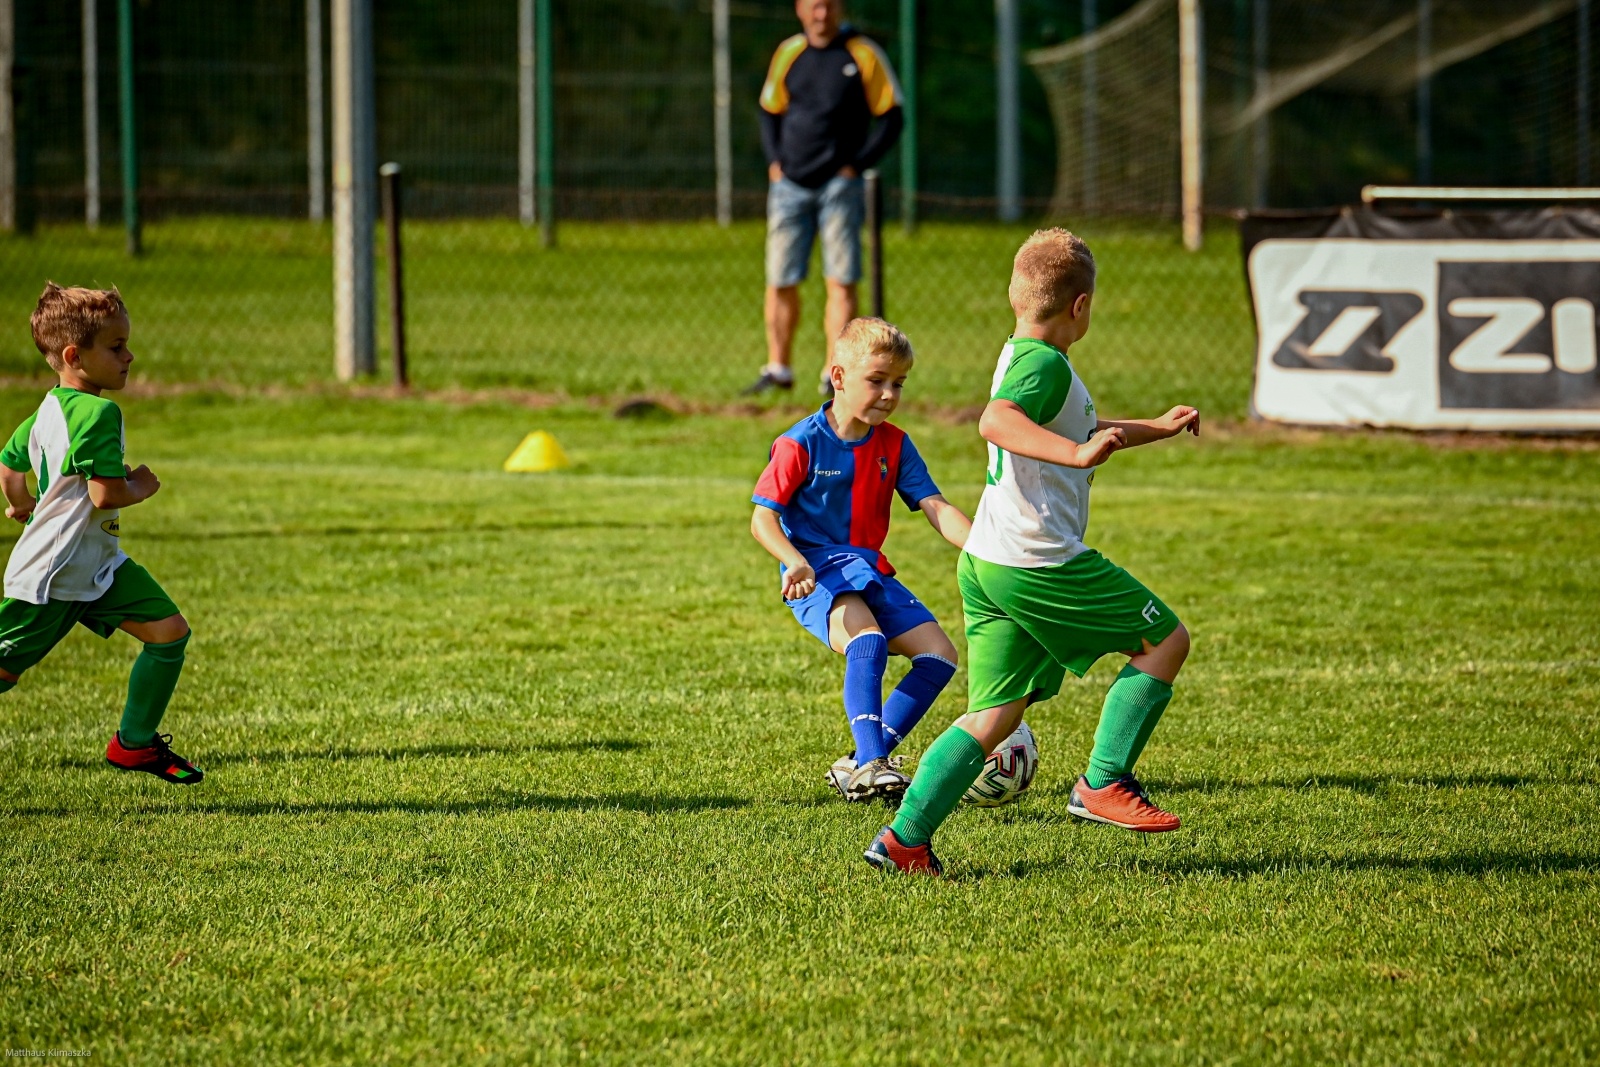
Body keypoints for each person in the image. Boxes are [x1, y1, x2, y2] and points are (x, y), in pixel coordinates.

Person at [864, 229, 1201, 874]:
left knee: (993, 714)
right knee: (1165, 641)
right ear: (1081, 306)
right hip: (1037, 559)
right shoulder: (1044, 364)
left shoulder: (1022, 352)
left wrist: (1153, 428)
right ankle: (1103, 781)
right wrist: (1076, 454)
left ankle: (903, 840)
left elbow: (1078, 427)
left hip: (989, 558)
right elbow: (996, 420)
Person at [751, 318, 970, 801]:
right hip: (817, 572)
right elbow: (762, 519)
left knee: (940, 656)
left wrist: (984, 547)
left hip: (868, 569)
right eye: (877, 380)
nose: (889, 394)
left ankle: (861, 762)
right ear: (839, 376)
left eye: (899, 383)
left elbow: (936, 506)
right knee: (867, 640)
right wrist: (794, 561)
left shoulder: (895, 444)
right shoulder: (800, 443)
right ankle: (873, 763)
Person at [0, 284, 201, 784]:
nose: (129, 356)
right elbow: (105, 496)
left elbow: (9, 465)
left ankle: (134, 745)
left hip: (99, 566)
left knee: (169, 633)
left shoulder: (49, 408)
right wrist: (141, 486)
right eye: (116, 347)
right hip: (54, 574)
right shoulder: (98, 413)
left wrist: (21, 505)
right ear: (74, 356)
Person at [744, 0, 904, 397]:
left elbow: (892, 116)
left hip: (839, 187)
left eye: (829, 6)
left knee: (841, 280)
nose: (821, 14)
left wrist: (856, 165)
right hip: (790, 186)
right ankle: (778, 369)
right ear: (799, 9)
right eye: (814, 6)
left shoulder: (863, 54)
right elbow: (769, 110)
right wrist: (775, 162)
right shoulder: (789, 53)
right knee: (780, 278)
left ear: (840, 8)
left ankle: (834, 375)